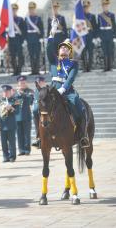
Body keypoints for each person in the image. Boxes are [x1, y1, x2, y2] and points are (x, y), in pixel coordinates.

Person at [47, 19, 89, 147]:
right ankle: (40, 136)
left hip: (66, 90)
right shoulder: (54, 61)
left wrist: (63, 89)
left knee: (78, 106)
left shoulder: (73, 64)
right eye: (62, 47)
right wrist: (52, 32)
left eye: (66, 48)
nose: (63, 49)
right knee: (38, 107)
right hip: (53, 88)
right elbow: (49, 47)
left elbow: (70, 79)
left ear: (70, 51)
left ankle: (82, 135)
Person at [14, 76, 34, 156]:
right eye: (21, 82)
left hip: (26, 115)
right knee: (19, 134)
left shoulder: (30, 91)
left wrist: (23, 94)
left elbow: (30, 101)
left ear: (26, 83)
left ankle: (27, 150)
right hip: (17, 116)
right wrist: (18, 93)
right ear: (18, 83)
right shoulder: (15, 92)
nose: (22, 84)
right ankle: (21, 150)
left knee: (26, 134)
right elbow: (13, 101)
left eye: (24, 82)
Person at [98, 0, 116, 71]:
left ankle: (110, 67)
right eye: (103, 5)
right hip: (103, 34)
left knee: (110, 51)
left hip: (109, 34)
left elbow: (114, 25)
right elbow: (98, 26)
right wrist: (98, 36)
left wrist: (115, 35)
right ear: (102, 6)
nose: (105, 7)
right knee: (104, 51)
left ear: (108, 6)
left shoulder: (111, 15)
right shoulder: (99, 16)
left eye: (106, 5)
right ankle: (105, 67)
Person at [25, 1, 44, 75]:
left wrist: (40, 37)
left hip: (36, 38)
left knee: (37, 54)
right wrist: (26, 39)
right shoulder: (26, 19)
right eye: (30, 8)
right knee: (31, 55)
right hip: (29, 38)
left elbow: (41, 29)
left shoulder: (38, 18)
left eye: (32, 8)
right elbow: (24, 30)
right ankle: (33, 70)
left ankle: (37, 70)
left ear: (35, 9)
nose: (31, 10)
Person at [47, 1, 68, 66]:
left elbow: (64, 29)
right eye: (53, 7)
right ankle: (56, 66)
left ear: (58, 8)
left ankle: (62, 65)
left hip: (60, 36)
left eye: (56, 7)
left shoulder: (62, 17)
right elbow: (49, 29)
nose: (55, 9)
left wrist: (58, 24)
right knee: (53, 53)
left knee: (61, 52)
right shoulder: (50, 18)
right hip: (53, 36)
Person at [0, 85, 17, 162]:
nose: (5, 93)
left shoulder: (15, 100)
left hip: (11, 124)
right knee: (3, 142)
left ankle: (12, 156)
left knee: (12, 142)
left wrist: (11, 108)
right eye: (4, 92)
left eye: (7, 92)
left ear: (10, 92)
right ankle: (5, 156)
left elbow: (18, 112)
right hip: (2, 124)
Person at [10, 3, 26, 76]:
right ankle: (14, 70)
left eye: (15, 9)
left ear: (17, 10)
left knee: (20, 55)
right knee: (12, 56)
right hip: (11, 39)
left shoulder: (20, 19)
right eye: (12, 10)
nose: (13, 11)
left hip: (18, 39)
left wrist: (22, 40)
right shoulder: (9, 20)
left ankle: (19, 70)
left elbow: (23, 30)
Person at [82, 0, 98, 72]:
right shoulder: (80, 17)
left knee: (90, 52)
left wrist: (95, 37)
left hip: (90, 36)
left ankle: (89, 67)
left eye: (87, 7)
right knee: (83, 52)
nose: (86, 8)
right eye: (84, 7)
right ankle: (85, 67)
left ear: (89, 7)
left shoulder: (92, 16)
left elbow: (95, 27)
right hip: (83, 36)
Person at [32, 76, 47, 149]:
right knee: (35, 113)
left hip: (46, 111)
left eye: (40, 82)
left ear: (44, 82)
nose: (39, 84)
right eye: (37, 82)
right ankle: (39, 139)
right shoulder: (35, 91)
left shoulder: (46, 90)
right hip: (38, 112)